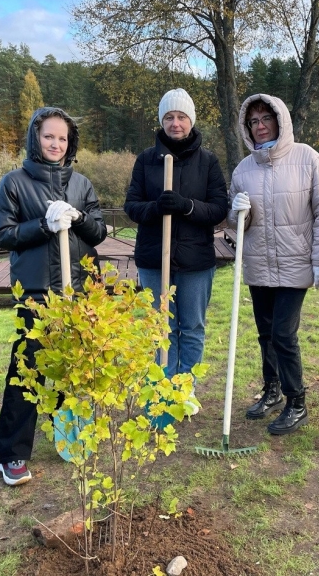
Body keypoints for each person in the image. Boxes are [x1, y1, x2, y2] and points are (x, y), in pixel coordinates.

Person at [0, 107, 108, 485]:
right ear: (35, 138)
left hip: (78, 291)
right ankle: (12, 453)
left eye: (62, 138)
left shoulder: (81, 184)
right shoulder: (14, 182)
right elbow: (3, 235)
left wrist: (79, 218)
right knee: (27, 369)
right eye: (48, 136)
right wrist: (44, 225)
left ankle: (68, 433)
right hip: (37, 293)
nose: (56, 144)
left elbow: (99, 232)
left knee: (73, 366)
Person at [227, 94, 319, 435]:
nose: (260, 126)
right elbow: (238, 225)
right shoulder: (243, 170)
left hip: (295, 264)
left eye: (266, 118)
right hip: (259, 264)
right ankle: (272, 390)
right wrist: (237, 211)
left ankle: (297, 402)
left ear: (280, 120)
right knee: (266, 333)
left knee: (283, 334)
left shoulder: (307, 158)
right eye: (253, 121)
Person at [124, 88, 228, 410]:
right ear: (162, 121)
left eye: (181, 116)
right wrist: (156, 208)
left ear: (191, 120)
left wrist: (187, 206)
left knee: (192, 326)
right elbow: (131, 206)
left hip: (195, 262)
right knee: (161, 327)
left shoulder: (208, 161)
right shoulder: (146, 160)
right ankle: (163, 386)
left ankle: (185, 388)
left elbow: (219, 208)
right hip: (154, 260)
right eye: (169, 117)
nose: (175, 123)